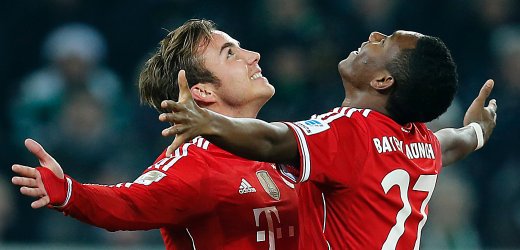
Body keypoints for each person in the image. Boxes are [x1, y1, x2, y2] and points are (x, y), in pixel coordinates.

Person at [158, 30, 498, 249]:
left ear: (382, 80)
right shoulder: (419, 141)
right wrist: (478, 132)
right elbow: (451, 144)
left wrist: (208, 122)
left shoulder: (351, 130)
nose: (375, 35)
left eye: (386, 42)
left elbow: (272, 141)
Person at [11, 19, 299, 250]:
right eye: (231, 54)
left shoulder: (289, 147)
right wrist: (70, 192)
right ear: (202, 91)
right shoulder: (195, 163)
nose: (253, 56)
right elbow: (130, 203)